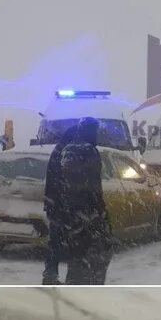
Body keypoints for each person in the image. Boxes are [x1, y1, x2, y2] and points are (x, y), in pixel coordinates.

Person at [58, 117, 113, 285]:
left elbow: (63, 182)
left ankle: (74, 288)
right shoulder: (89, 151)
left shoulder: (68, 150)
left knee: (76, 259)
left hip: (71, 214)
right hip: (88, 214)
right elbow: (94, 186)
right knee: (97, 258)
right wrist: (100, 212)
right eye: (95, 131)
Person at [42, 125, 78, 285]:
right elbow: (64, 181)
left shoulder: (59, 150)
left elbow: (52, 181)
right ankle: (54, 275)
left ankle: (50, 273)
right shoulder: (66, 153)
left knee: (55, 241)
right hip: (61, 204)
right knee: (65, 241)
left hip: (55, 203)